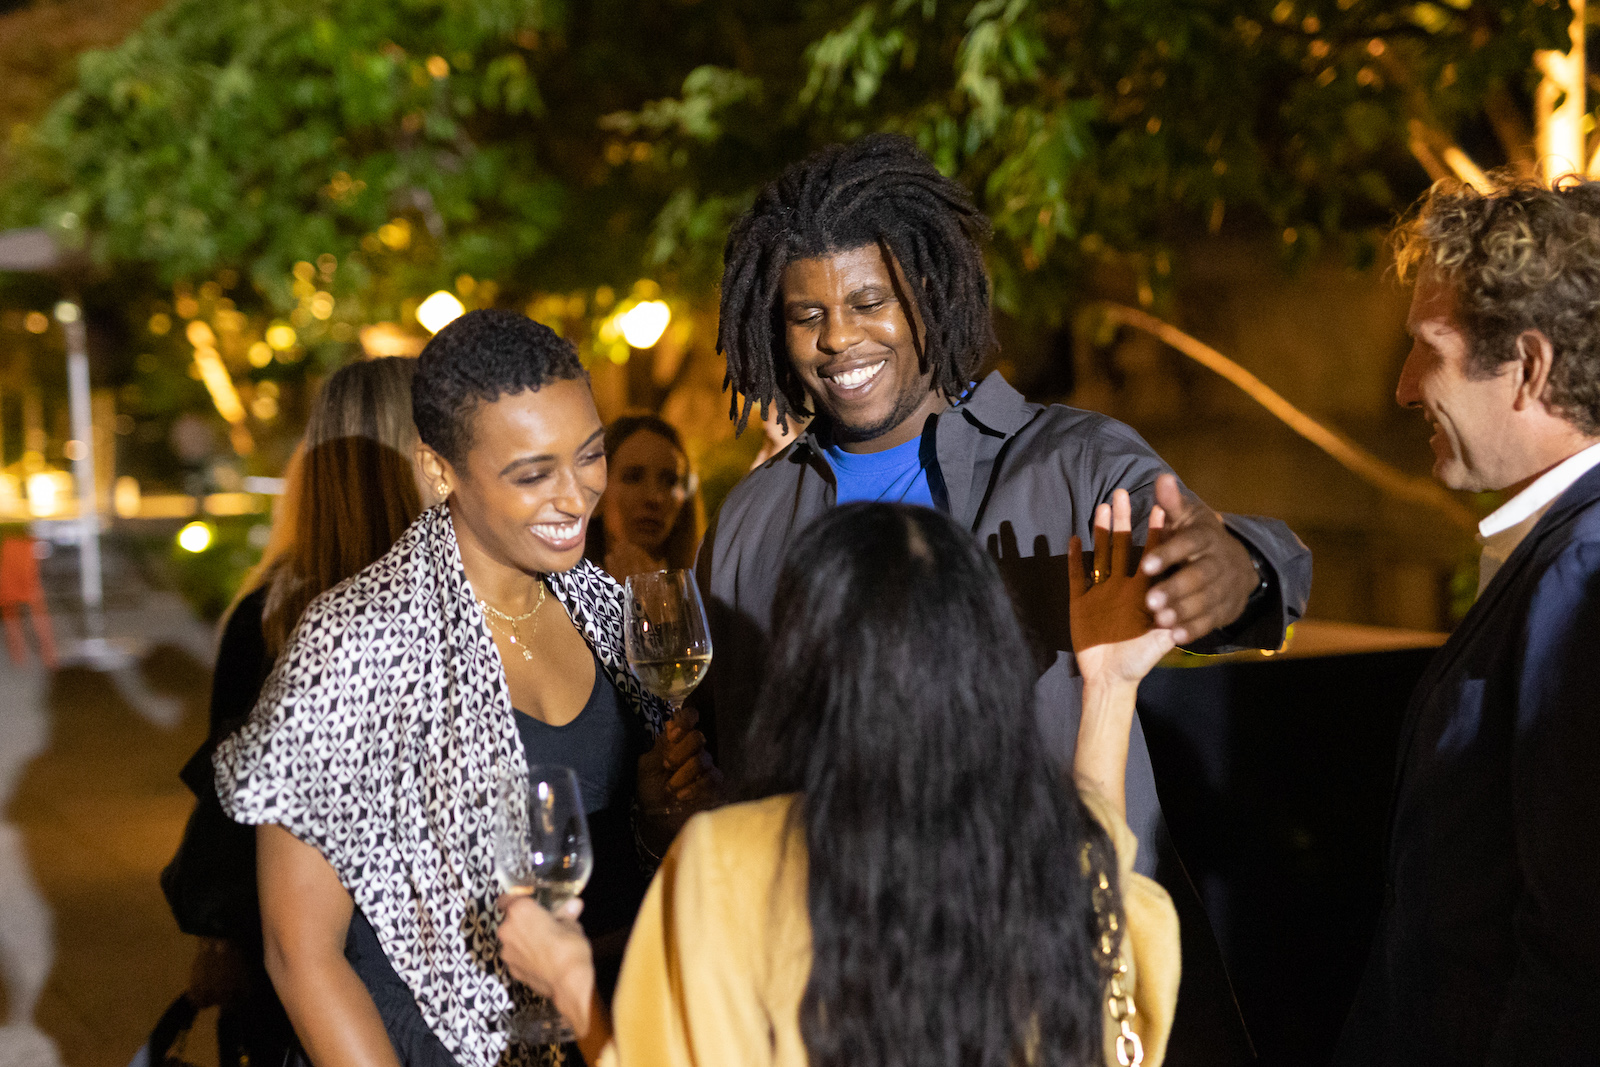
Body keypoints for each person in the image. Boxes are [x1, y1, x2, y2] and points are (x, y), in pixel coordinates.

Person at [698, 133, 1312, 1056]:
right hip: (846, 985)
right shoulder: (750, 517)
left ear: (928, 298)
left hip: (1069, 961)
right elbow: (729, 747)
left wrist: (1236, 565)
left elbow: (1208, 544)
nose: (838, 338)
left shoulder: (1070, 459)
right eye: (806, 314)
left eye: (870, 301)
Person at [498, 495, 1183, 1067]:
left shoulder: (728, 862)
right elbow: (1115, 933)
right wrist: (1110, 688)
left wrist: (571, 979)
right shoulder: (1056, 860)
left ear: (803, 668)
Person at [214, 311, 717, 1067]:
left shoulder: (609, 611)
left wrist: (655, 813)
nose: (575, 496)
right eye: (532, 473)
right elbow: (300, 952)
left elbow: (613, 874)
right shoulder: (358, 641)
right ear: (440, 468)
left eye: (589, 456)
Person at [1334, 177, 1600, 1064]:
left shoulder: (1583, 574)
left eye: (1427, 349)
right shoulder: (1559, 553)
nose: (1406, 388)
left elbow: (1577, 950)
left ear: (1529, 365)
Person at [161, 355, 431, 1067]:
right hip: (411, 961)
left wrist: (218, 940)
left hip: (285, 969)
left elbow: (229, 806)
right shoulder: (439, 607)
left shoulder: (268, 613)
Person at [583, 415, 703, 581]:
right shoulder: (554, 593)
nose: (654, 498)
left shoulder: (705, 594)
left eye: (669, 481)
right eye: (633, 478)